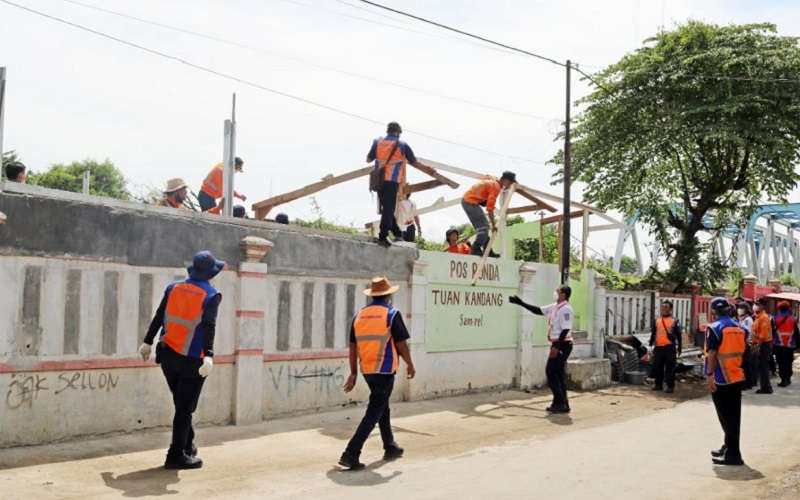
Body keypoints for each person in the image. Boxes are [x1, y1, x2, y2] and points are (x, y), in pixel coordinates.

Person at [138, 250, 224, 469]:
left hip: (167, 356)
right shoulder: (211, 295)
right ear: (210, 273)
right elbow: (208, 327)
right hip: (193, 360)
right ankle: (175, 455)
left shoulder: (173, 287)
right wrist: (210, 356)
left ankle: (188, 443)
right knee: (184, 409)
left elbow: (160, 315)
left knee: (181, 403)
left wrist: (147, 341)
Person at [339, 276, 415, 470]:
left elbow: (353, 346)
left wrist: (354, 372)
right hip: (385, 368)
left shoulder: (360, 315)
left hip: (367, 369)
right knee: (375, 410)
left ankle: (390, 446)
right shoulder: (391, 314)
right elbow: (401, 345)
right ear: (388, 295)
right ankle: (351, 452)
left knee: (382, 406)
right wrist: (410, 364)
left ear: (373, 295)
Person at [508, 285, 574, 413]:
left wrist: (556, 347)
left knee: (551, 372)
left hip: (563, 344)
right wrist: (521, 303)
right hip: (558, 344)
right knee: (558, 374)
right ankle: (562, 403)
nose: (555, 292)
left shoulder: (566, 310)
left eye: (558, 291)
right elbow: (538, 310)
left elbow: (565, 330)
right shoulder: (555, 307)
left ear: (563, 295)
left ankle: (560, 402)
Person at [367, 122, 432, 248]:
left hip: (379, 181)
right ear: (398, 133)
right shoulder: (402, 145)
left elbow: (368, 160)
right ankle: (383, 236)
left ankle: (396, 232)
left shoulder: (377, 142)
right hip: (392, 180)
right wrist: (428, 168)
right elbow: (414, 162)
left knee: (387, 207)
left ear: (388, 131)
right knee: (388, 208)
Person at [705, 297, 747, 466]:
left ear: (713, 311)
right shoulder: (740, 328)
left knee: (727, 418)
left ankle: (733, 454)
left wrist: (709, 375)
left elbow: (713, 353)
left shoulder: (714, 328)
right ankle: (728, 447)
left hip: (721, 377)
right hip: (736, 375)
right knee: (733, 415)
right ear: (729, 309)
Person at [461, 172, 516, 257]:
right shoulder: (496, 187)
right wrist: (494, 225)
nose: (509, 187)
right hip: (470, 202)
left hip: (467, 200)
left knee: (482, 228)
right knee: (485, 227)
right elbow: (490, 208)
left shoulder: (493, 179)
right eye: (510, 184)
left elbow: (487, 175)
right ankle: (475, 248)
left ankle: (488, 250)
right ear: (505, 181)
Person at [648, 300, 682, 393]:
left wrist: (680, 347)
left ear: (670, 309)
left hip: (670, 346)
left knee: (670, 367)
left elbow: (679, 335)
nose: (664, 308)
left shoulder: (675, 320)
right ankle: (658, 384)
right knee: (657, 366)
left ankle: (670, 386)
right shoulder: (657, 320)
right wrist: (650, 345)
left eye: (666, 307)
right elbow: (653, 333)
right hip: (658, 346)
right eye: (663, 307)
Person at [772, 300, 799, 387]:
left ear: (779, 308)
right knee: (788, 362)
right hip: (790, 345)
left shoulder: (774, 319)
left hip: (779, 345)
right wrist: (798, 345)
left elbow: (771, 332)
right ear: (788, 309)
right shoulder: (793, 319)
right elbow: (797, 333)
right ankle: (788, 378)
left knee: (781, 362)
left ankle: (784, 380)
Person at [751, 297, 774, 394]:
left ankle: (766, 388)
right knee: (761, 366)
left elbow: (763, 335)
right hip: (760, 344)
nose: (755, 306)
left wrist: (758, 346)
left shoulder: (764, 318)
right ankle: (764, 386)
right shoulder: (757, 317)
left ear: (763, 306)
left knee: (763, 366)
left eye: (758, 304)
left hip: (764, 345)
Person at [735, 302, 756, 390]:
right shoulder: (741, 319)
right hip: (742, 344)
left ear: (747, 309)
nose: (739, 309)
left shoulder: (747, 320)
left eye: (742, 307)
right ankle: (746, 383)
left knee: (745, 365)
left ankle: (746, 383)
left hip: (746, 344)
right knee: (744, 365)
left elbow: (745, 332)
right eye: (739, 307)